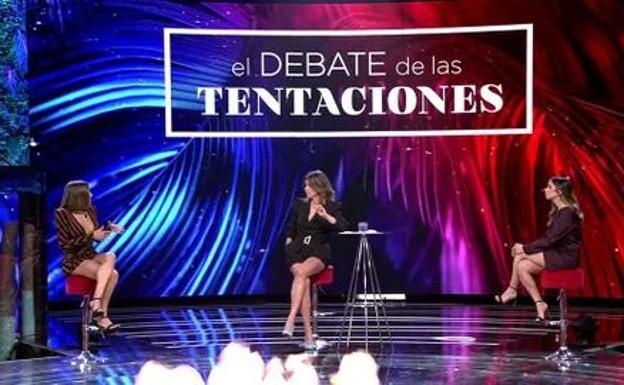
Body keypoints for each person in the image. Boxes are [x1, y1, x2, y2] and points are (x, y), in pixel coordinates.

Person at [495, 176, 583, 322]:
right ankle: (540, 304)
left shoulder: (567, 213)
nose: (545, 190)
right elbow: (548, 240)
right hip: (556, 253)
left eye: (549, 187)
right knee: (522, 267)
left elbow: (549, 240)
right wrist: (524, 248)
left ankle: (511, 290)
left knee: (519, 256)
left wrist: (523, 248)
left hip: (566, 257)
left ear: (559, 191)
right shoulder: (560, 212)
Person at [283, 170, 348, 349]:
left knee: (303, 273)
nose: (305, 188)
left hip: (317, 252)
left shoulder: (332, 206)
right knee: (302, 277)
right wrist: (288, 246)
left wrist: (325, 215)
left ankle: (291, 319)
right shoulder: (300, 205)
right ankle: (308, 336)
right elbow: (291, 229)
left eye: (308, 186)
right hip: (297, 251)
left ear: (318, 187)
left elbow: (342, 226)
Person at [54, 180, 124, 333]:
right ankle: (101, 317)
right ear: (79, 196)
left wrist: (109, 228)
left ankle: (97, 304)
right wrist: (91, 236)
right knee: (113, 274)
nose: (92, 195)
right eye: (88, 193)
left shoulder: (91, 210)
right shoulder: (62, 214)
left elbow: (97, 231)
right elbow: (65, 245)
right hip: (74, 259)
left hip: (89, 254)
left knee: (111, 255)